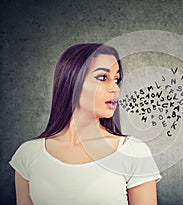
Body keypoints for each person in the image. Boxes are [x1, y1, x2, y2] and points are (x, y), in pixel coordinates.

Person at [9, 43, 162, 205]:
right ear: (72, 81)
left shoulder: (133, 153)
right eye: (102, 78)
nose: (115, 88)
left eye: (116, 79)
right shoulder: (28, 154)